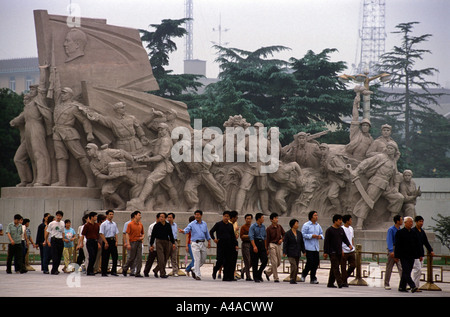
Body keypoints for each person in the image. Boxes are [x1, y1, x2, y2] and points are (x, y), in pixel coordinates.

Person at [179, 210, 211, 280]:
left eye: (198, 215)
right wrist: (183, 231)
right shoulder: (192, 224)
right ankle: (198, 275)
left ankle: (193, 268)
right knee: (197, 259)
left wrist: (209, 241)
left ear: (201, 215)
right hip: (195, 243)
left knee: (203, 259)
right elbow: (187, 230)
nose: (197, 216)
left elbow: (206, 233)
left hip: (202, 243)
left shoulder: (204, 224)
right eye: (195, 215)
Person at [323, 214, 353, 288]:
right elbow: (326, 242)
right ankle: (340, 282)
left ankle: (330, 283)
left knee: (334, 267)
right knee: (336, 267)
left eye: (341, 220)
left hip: (339, 251)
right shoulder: (329, 230)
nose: (341, 222)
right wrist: (325, 252)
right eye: (339, 220)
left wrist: (349, 245)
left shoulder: (340, 229)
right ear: (335, 221)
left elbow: (344, 239)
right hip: (332, 252)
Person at [394, 216, 421, 293]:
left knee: (407, 271)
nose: (411, 223)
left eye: (411, 222)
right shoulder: (400, 233)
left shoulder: (414, 233)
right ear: (405, 223)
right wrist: (396, 256)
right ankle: (413, 286)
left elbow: (417, 244)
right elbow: (397, 245)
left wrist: (419, 255)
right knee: (406, 271)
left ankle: (402, 287)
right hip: (403, 256)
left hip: (411, 255)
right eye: (409, 222)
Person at [210, 211, 239, 281]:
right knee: (220, 260)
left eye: (227, 216)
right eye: (225, 216)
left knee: (227, 261)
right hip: (221, 245)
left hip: (229, 245)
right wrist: (214, 239)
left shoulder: (230, 225)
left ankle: (226, 277)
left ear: (229, 218)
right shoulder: (218, 224)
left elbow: (232, 236)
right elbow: (211, 231)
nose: (226, 218)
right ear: (223, 216)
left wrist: (236, 244)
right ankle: (215, 269)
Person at [150, 212, 176, 278]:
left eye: (162, 217)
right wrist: (151, 244)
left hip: (167, 242)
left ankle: (156, 270)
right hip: (159, 242)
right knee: (161, 258)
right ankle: (162, 273)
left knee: (165, 258)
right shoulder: (156, 226)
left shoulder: (167, 225)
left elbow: (171, 235)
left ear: (165, 218)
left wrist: (173, 243)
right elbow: (153, 236)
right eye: (160, 217)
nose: (161, 218)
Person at [300, 211, 324, 284]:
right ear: (311, 216)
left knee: (316, 263)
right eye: (315, 215)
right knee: (310, 262)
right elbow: (303, 234)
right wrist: (311, 236)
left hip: (316, 247)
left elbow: (322, 234)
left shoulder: (318, 225)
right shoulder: (306, 225)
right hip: (308, 247)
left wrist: (320, 236)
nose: (316, 216)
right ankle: (304, 274)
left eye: (317, 215)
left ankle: (313, 278)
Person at [412, 215, 434, 288]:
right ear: (416, 222)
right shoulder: (413, 231)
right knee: (417, 270)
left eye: (422, 221)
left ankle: (415, 285)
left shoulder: (422, 231)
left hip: (421, 253)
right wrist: (418, 255)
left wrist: (430, 250)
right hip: (414, 254)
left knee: (419, 271)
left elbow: (425, 242)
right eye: (420, 221)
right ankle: (414, 286)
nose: (421, 223)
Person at [122, 210, 145, 277]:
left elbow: (143, 233)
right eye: (139, 215)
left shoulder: (141, 224)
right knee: (131, 257)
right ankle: (125, 268)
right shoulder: (130, 224)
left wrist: (142, 237)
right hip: (132, 242)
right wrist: (128, 243)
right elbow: (127, 234)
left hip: (139, 242)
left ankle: (137, 272)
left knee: (139, 258)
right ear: (135, 216)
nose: (140, 216)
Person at [283, 218, 305, 284]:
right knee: (294, 266)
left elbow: (302, 243)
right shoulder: (287, 233)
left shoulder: (299, 233)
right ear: (293, 225)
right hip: (290, 252)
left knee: (296, 266)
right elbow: (285, 243)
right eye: (296, 223)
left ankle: (294, 279)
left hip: (297, 252)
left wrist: (304, 251)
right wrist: (284, 252)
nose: (298, 225)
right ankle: (292, 278)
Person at [264, 212, 285, 282]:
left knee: (279, 262)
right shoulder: (269, 229)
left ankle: (268, 272)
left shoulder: (280, 227)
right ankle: (276, 277)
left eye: (277, 218)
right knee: (274, 262)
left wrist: (282, 239)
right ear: (271, 220)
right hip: (272, 244)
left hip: (278, 245)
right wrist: (266, 248)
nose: (277, 219)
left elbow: (284, 234)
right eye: (275, 218)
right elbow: (267, 239)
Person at [385, 215, 403, 290]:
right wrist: (391, 251)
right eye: (401, 220)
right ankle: (386, 283)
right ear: (397, 221)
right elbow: (389, 240)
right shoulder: (391, 229)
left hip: (399, 249)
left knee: (401, 267)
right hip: (393, 247)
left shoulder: (400, 229)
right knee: (389, 267)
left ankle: (403, 283)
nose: (402, 221)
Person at [99, 210, 120, 276]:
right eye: (110, 214)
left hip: (113, 240)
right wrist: (105, 242)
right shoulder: (104, 224)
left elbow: (116, 233)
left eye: (112, 214)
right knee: (105, 257)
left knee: (115, 256)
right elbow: (101, 234)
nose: (111, 215)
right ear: (107, 215)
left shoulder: (114, 224)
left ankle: (114, 271)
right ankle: (104, 271)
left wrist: (116, 241)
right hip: (106, 240)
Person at [79, 212, 100, 276]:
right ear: (92, 217)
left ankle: (91, 269)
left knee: (94, 256)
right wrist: (81, 243)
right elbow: (82, 235)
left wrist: (98, 242)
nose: (96, 218)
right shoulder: (87, 225)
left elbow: (98, 235)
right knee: (91, 255)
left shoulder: (97, 225)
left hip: (95, 241)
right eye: (95, 216)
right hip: (89, 241)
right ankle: (89, 270)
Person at [249, 212, 268, 283]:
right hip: (255, 243)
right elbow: (251, 237)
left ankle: (259, 273)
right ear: (259, 218)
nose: (263, 219)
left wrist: (265, 247)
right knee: (255, 262)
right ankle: (255, 277)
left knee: (265, 260)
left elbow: (265, 237)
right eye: (262, 217)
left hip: (262, 243)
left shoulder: (263, 226)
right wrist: (254, 246)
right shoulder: (253, 226)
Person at [46, 210, 65, 275]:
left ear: (62, 217)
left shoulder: (62, 223)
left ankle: (56, 269)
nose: (58, 217)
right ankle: (53, 270)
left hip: (60, 240)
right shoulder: (51, 223)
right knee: (55, 256)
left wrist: (63, 239)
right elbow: (47, 232)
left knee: (59, 256)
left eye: (60, 216)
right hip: (54, 240)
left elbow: (63, 232)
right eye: (57, 216)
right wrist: (46, 240)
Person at [341, 214, 356, 287]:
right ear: (347, 221)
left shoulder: (351, 228)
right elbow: (339, 240)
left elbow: (352, 238)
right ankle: (344, 281)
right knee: (343, 267)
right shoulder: (341, 229)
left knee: (353, 265)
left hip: (351, 250)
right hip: (344, 250)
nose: (351, 221)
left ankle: (342, 278)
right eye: (350, 220)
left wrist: (352, 247)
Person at [240, 214, 253, 281]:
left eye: (250, 218)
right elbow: (242, 236)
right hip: (245, 244)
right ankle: (248, 276)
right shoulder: (243, 227)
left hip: (252, 244)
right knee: (247, 260)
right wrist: (250, 236)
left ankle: (243, 270)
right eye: (247, 218)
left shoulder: (253, 227)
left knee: (252, 261)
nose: (248, 220)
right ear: (245, 219)